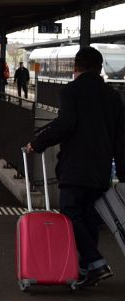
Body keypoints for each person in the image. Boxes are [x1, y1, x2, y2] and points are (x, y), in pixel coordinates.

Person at [26, 46, 124, 288]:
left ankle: (95, 262)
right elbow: (121, 137)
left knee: (70, 213)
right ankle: (87, 269)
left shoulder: (71, 91)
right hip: (101, 168)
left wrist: (37, 144)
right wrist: (122, 173)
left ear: (75, 68)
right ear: (100, 68)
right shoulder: (113, 96)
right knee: (90, 217)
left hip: (76, 166)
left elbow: (66, 125)